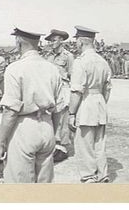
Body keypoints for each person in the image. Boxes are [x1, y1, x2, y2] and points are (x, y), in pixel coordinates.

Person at [0, 27, 62, 183]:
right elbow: (59, 108)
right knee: (44, 185)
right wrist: (53, 132)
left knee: (20, 186)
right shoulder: (52, 68)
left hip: (24, 127)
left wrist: (1, 141)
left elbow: (10, 111)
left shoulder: (14, 68)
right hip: (47, 125)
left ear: (18, 42)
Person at [68, 26, 112, 183]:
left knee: (84, 143)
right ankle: (103, 173)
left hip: (86, 103)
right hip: (99, 101)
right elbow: (108, 88)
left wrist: (72, 113)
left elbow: (76, 91)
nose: (76, 45)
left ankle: (89, 175)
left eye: (76, 41)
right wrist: (101, 102)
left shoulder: (80, 62)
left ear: (80, 42)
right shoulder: (103, 61)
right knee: (100, 142)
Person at [45, 29, 74, 162]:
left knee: (62, 118)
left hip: (63, 89)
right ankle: (53, 146)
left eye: (54, 40)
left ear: (61, 40)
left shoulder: (68, 56)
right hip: (51, 89)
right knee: (51, 117)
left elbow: (72, 75)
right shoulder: (48, 56)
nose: (51, 43)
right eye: (50, 40)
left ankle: (63, 148)